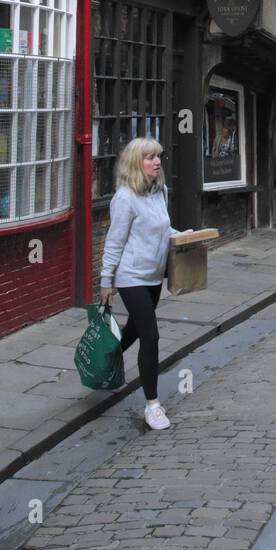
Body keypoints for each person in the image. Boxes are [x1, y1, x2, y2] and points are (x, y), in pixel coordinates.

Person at [99, 137, 185, 431]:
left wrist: (183, 236)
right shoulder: (125, 198)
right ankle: (153, 405)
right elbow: (115, 241)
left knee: (134, 329)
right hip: (130, 276)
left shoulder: (159, 192)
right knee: (151, 336)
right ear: (136, 162)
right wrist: (106, 281)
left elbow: (163, 227)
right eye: (150, 158)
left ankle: (107, 361)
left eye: (158, 156)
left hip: (153, 276)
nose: (157, 162)